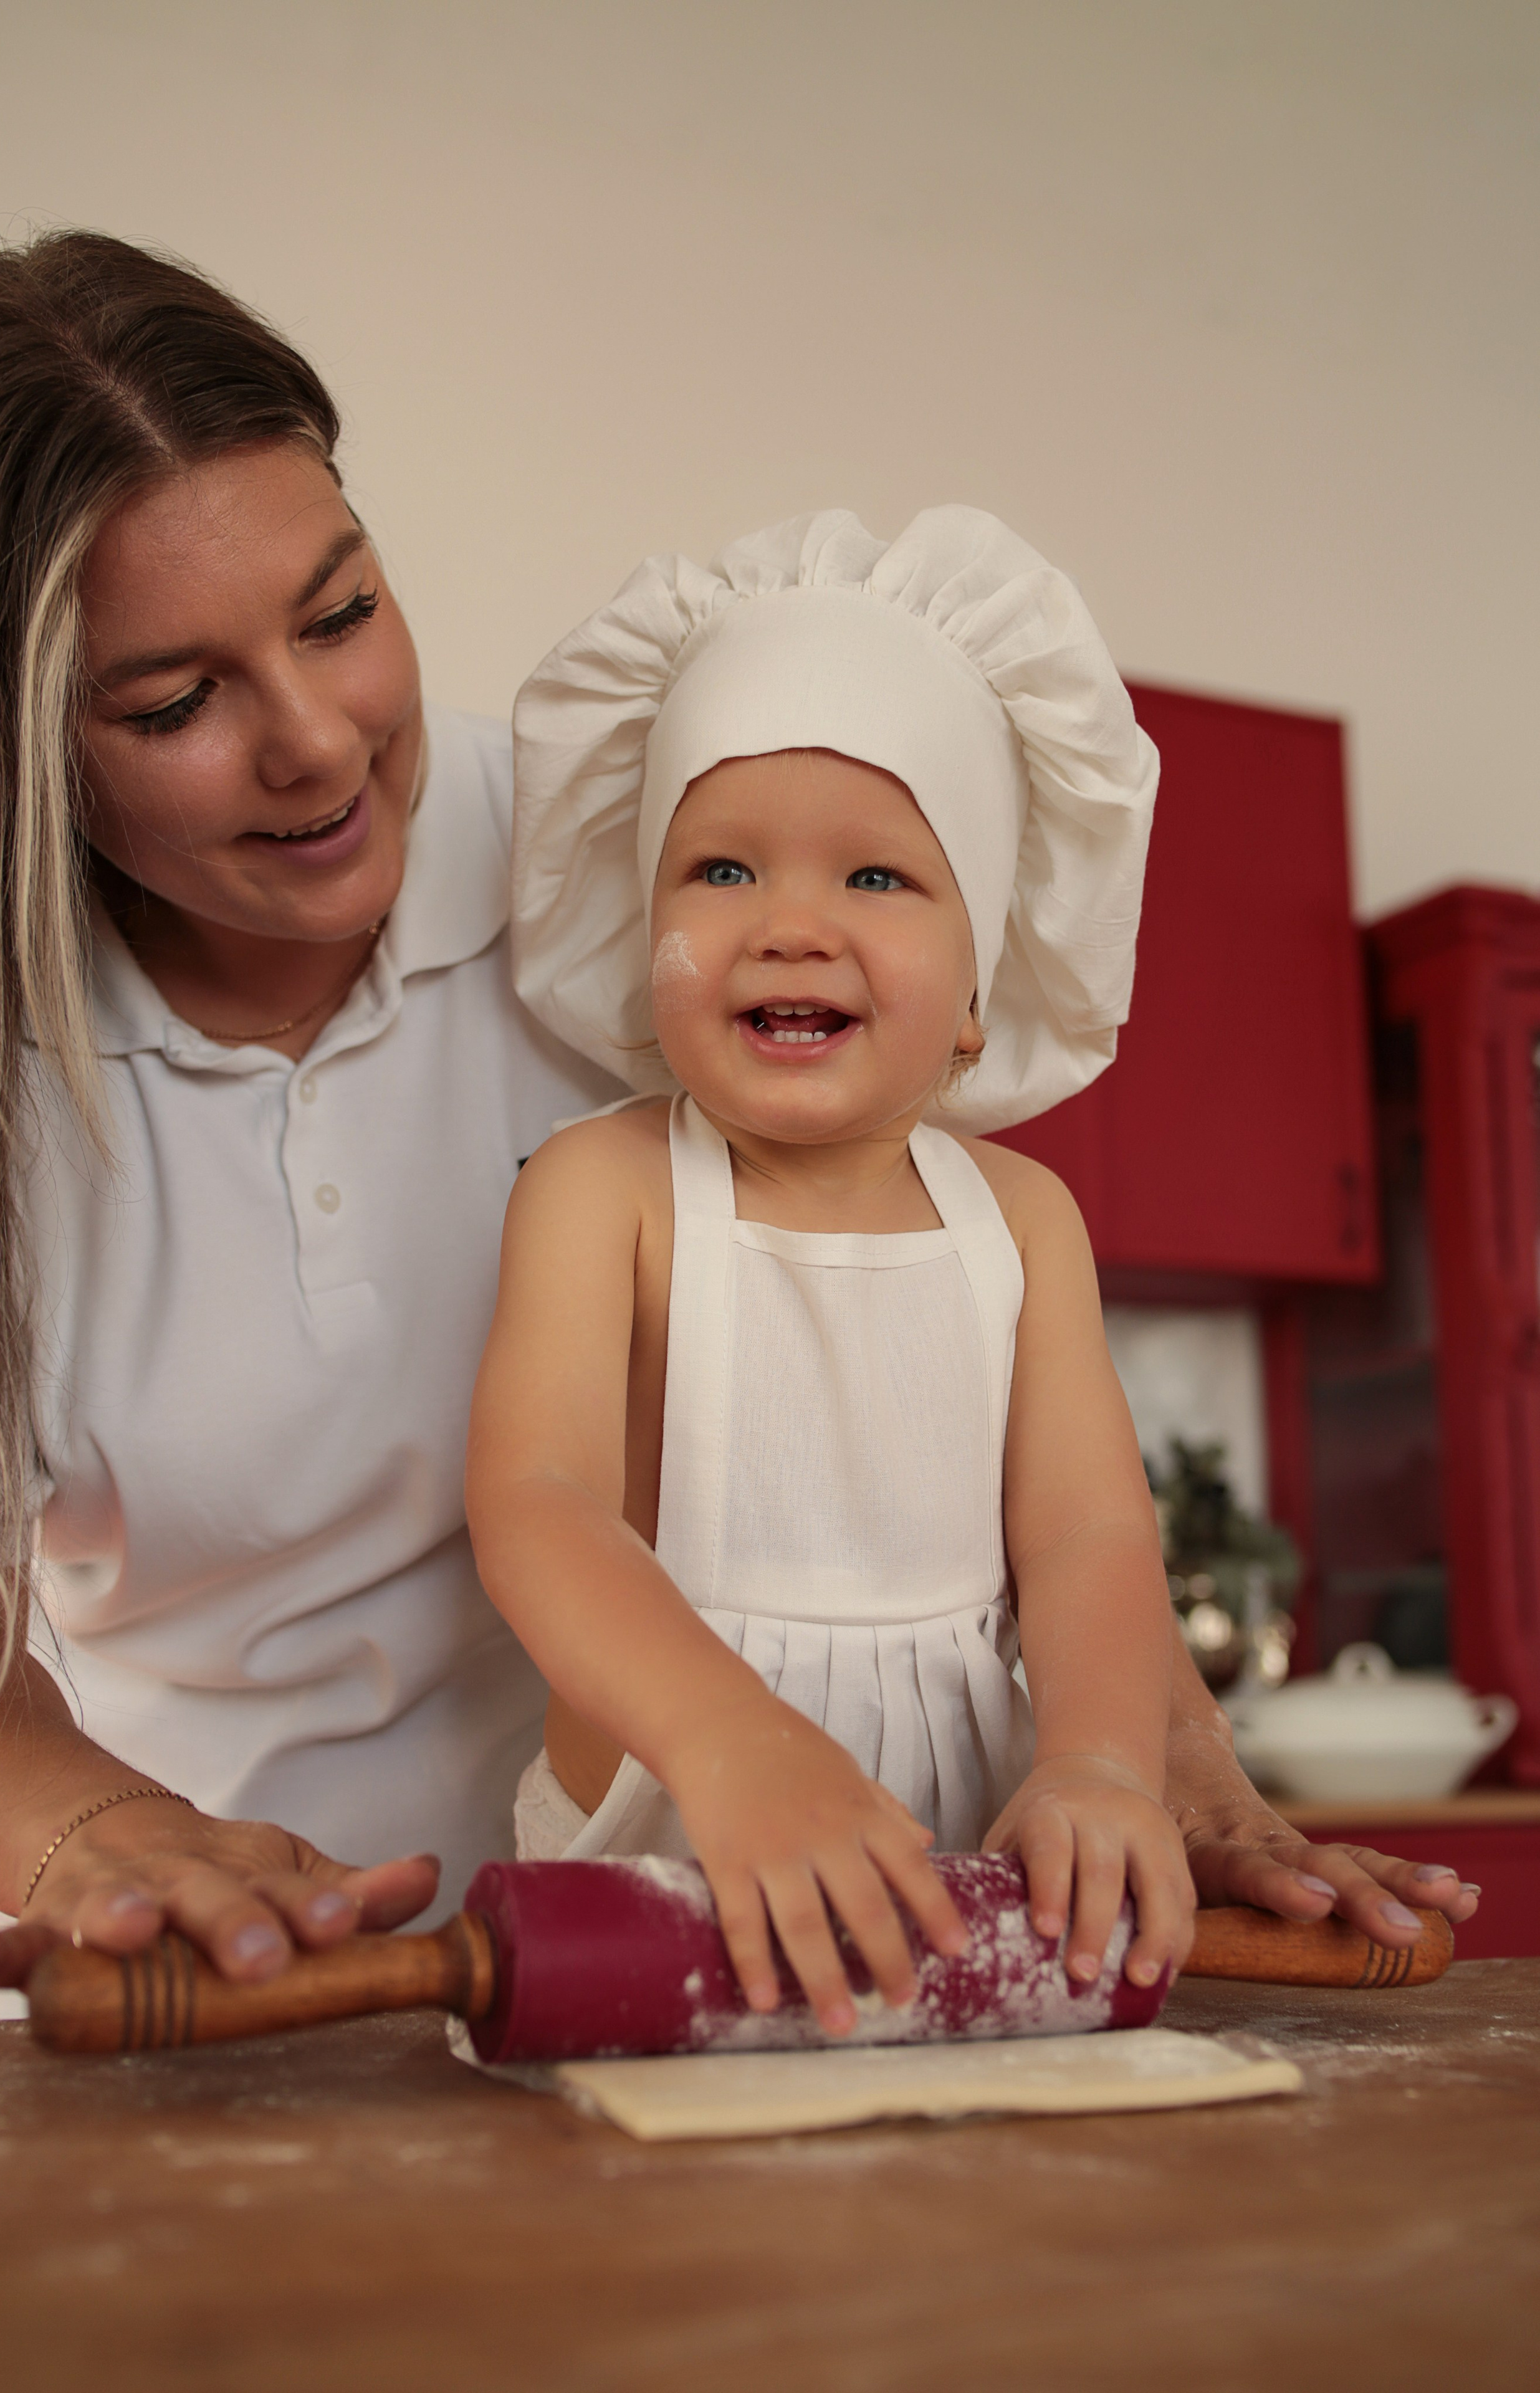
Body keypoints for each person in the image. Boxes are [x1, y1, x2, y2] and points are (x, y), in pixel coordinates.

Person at [0, 233, 1473, 2018]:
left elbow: (1040, 1484)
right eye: (177, 703)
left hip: (738, 1930)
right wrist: (80, 1835)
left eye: (342, 611)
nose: (318, 740)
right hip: (233, 1960)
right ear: (15, 742)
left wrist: (1146, 1763)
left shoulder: (645, 877)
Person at [465, 510, 1471, 2033]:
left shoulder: (1023, 1220)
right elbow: (537, 1505)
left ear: (978, 996)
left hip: (978, 1860)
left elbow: (1081, 1534)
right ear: (641, 926)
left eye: (875, 879)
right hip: (670, 1820)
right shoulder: (600, 1189)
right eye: (720, 867)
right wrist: (732, 1744)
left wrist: (1095, 1766)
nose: (788, 926)